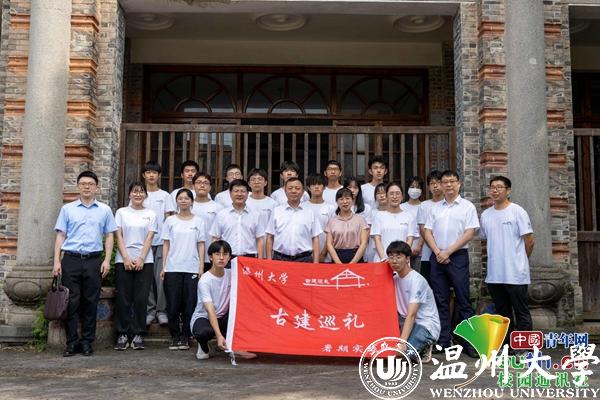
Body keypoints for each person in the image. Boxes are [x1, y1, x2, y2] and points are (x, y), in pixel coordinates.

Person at [53, 170, 117, 357]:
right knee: (71, 302)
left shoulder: (105, 210)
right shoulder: (67, 209)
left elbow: (109, 236)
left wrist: (107, 260)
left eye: (90, 184)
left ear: (96, 187)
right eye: (83, 184)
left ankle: (87, 341)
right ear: (78, 187)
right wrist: (56, 261)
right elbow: (60, 236)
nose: (87, 187)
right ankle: (72, 342)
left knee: (90, 301)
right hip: (71, 259)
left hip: (93, 261)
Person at [423, 170, 479, 357]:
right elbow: (427, 232)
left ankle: (471, 343)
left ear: (459, 183)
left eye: (452, 181)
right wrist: (438, 252)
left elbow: (470, 233)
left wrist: (448, 252)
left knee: (463, 300)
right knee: (440, 300)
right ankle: (443, 340)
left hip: (457, 257)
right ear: (440, 184)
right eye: (445, 182)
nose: (448, 185)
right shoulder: (435, 208)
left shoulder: (467, 207)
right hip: (437, 256)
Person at [480, 176, 534, 345]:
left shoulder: (517, 211)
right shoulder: (486, 215)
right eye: (492, 187)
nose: (495, 190)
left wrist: (520, 260)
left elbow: (529, 240)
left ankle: (524, 346)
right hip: (495, 275)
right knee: (503, 313)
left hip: (515, 273)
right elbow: (485, 240)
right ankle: (507, 346)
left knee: (521, 311)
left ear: (508, 190)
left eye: (499, 187)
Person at [190, 240, 256, 360]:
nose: (221, 258)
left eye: (225, 254)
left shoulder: (232, 274)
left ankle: (236, 346)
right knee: (203, 332)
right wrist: (219, 336)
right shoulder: (205, 280)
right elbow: (210, 310)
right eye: (217, 254)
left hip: (224, 317)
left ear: (229, 257)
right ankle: (203, 345)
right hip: (204, 317)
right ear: (210, 257)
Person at [114, 182, 158, 351]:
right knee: (123, 298)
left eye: (141, 192)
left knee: (141, 298)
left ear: (145, 195)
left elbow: (149, 238)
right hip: (123, 259)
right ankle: (122, 333)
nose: (138, 194)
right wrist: (126, 258)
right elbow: (118, 236)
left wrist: (141, 258)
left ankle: (138, 333)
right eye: (135, 191)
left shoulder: (150, 214)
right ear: (129, 194)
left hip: (145, 261)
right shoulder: (121, 212)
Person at [161, 188, 206, 351]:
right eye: (180, 198)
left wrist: (201, 266)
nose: (183, 201)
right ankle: (175, 336)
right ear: (176, 201)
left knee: (189, 303)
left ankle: (186, 335)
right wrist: (164, 266)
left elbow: (201, 244)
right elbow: (166, 244)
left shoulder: (198, 221)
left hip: (191, 267)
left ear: (191, 201)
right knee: (173, 303)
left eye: (187, 198)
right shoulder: (170, 221)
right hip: (173, 267)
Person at [387, 241, 440, 363]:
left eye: (398, 257)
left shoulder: (417, 280)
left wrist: (402, 343)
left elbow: (412, 315)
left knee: (401, 356)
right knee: (386, 350)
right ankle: (416, 347)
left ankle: (425, 345)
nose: (394, 261)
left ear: (407, 259)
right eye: (391, 257)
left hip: (425, 324)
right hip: (404, 322)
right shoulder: (394, 279)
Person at [142, 161, 176, 327]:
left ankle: (162, 311)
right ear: (144, 175)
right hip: (143, 245)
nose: (151, 175)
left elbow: (170, 219)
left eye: (154, 172)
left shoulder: (165, 196)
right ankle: (150, 311)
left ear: (159, 175)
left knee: (161, 277)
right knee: (146, 279)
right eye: (148, 172)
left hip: (161, 242)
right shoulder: (139, 194)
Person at [266, 177, 322, 263]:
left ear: (303, 192)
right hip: (280, 259)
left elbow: (315, 238)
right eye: (290, 188)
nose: (293, 191)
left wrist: (316, 262)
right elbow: (270, 237)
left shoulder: (310, 212)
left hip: (304, 259)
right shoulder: (276, 211)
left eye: (297, 188)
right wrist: (269, 260)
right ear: (285, 191)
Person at [210, 179, 265, 258]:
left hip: (249, 257)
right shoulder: (222, 214)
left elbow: (259, 239)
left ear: (247, 194)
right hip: (226, 257)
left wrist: (259, 260)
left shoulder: (255, 215)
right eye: (236, 191)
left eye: (243, 191)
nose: (239, 194)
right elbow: (215, 238)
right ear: (230, 193)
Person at [371, 182, 417, 262]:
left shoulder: (409, 216)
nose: (394, 196)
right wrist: (384, 258)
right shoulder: (378, 216)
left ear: (402, 196)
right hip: (382, 260)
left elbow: (409, 240)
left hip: (402, 262)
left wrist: (402, 257)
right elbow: (377, 239)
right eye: (391, 194)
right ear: (386, 196)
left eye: (397, 193)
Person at [325, 188, 369, 264]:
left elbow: (364, 243)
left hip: (356, 257)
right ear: (337, 201)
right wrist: (338, 263)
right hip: (337, 258)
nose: (345, 202)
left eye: (347, 198)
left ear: (352, 200)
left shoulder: (360, 219)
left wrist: (353, 262)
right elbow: (329, 244)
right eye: (341, 199)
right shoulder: (331, 221)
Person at [191, 172, 223, 272]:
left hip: (211, 254)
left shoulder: (218, 208)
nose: (202, 185)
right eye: (199, 182)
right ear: (193, 186)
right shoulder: (187, 206)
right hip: (190, 255)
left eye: (205, 183)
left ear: (210, 187)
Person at [416, 170, 444, 283]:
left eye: (438, 182)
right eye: (432, 183)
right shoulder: (423, 206)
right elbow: (423, 230)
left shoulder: (449, 204)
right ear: (428, 187)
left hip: (448, 253)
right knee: (428, 285)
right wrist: (436, 250)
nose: (435, 186)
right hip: (428, 255)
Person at [301, 173, 336, 262]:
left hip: (326, 254)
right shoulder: (302, 207)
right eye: (313, 184)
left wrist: (323, 253)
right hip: (305, 254)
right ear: (309, 188)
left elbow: (331, 233)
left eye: (319, 184)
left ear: (324, 187)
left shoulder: (331, 208)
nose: (316, 187)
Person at [401, 176, 425, 271]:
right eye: (412, 186)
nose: (415, 189)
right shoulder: (401, 207)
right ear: (407, 189)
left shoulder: (424, 206)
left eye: (417, 187)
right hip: (402, 249)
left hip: (420, 250)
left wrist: (419, 246)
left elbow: (425, 228)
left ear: (421, 190)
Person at [364, 183, 387, 262]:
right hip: (372, 248)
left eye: (384, 193)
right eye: (379, 193)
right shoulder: (371, 212)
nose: (382, 196)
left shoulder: (393, 213)